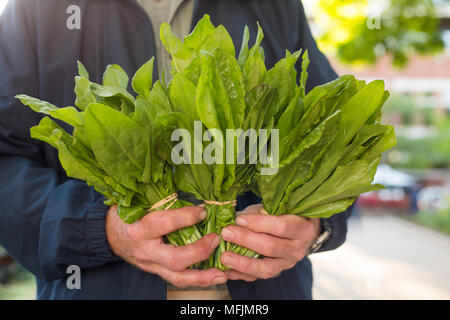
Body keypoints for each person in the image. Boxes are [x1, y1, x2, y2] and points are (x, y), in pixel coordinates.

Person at [0, 0, 352, 300]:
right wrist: (98, 229)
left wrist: (314, 223)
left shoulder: (275, 5)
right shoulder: (36, 9)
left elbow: (338, 133)